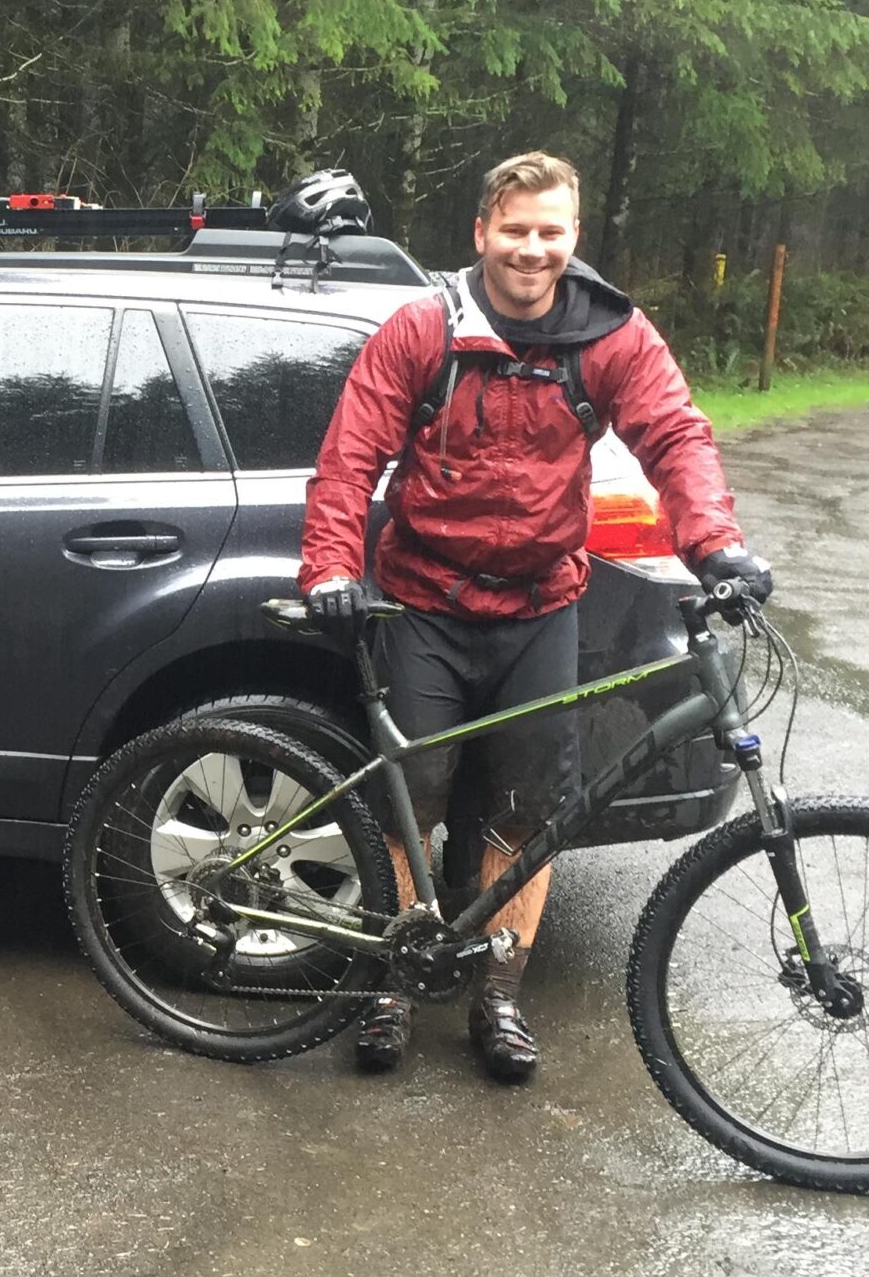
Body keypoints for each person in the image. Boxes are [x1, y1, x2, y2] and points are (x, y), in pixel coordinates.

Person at [297, 151, 771, 1084]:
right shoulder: (422, 328)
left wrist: (714, 544)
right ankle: (393, 978)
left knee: (530, 812)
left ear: (574, 236)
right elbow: (349, 459)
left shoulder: (610, 337)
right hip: (424, 598)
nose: (532, 248)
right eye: (515, 229)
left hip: (543, 602)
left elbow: (676, 435)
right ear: (481, 233)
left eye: (551, 231)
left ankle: (499, 993)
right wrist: (330, 570)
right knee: (413, 796)